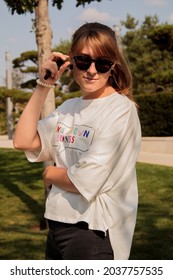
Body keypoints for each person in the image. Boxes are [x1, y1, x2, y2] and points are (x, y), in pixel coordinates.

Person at [13, 22, 141, 260]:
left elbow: (86, 179)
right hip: (57, 227)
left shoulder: (120, 110)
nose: (92, 70)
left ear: (112, 66)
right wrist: (44, 86)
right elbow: (22, 140)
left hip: (93, 232)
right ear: (71, 62)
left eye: (102, 63)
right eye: (83, 61)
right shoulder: (68, 108)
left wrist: (49, 174)